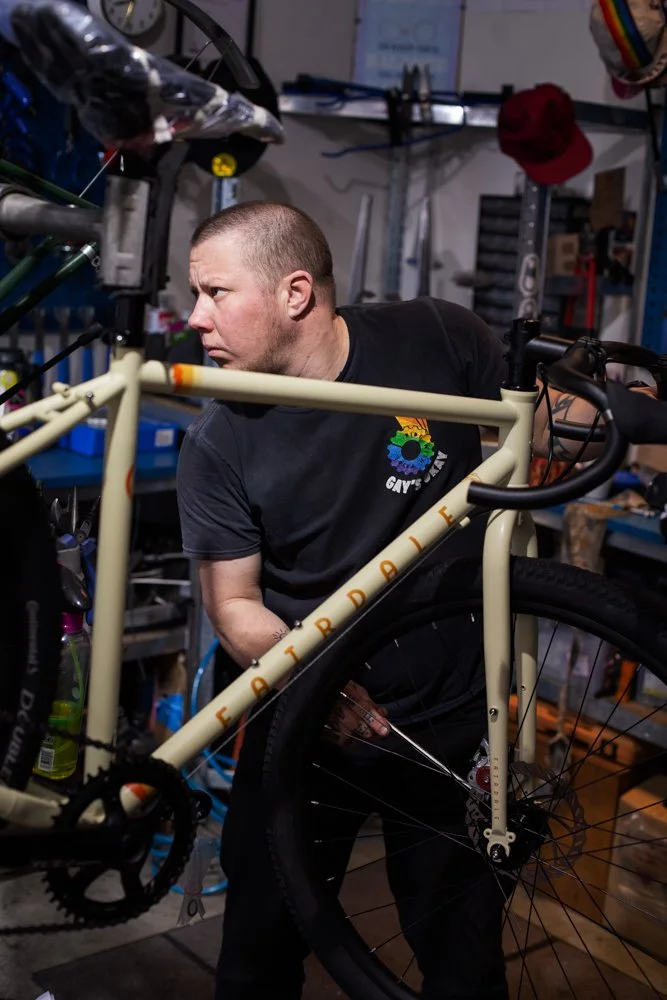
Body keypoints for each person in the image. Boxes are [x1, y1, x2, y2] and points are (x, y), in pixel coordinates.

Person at [176, 201, 612, 1000]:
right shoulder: (219, 438)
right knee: (260, 953)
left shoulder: (437, 338)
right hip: (306, 716)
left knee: (461, 955)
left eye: (213, 292)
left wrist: (621, 413)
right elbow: (233, 604)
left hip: (449, 715)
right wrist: (316, 686)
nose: (193, 316)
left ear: (295, 292)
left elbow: (545, 428)